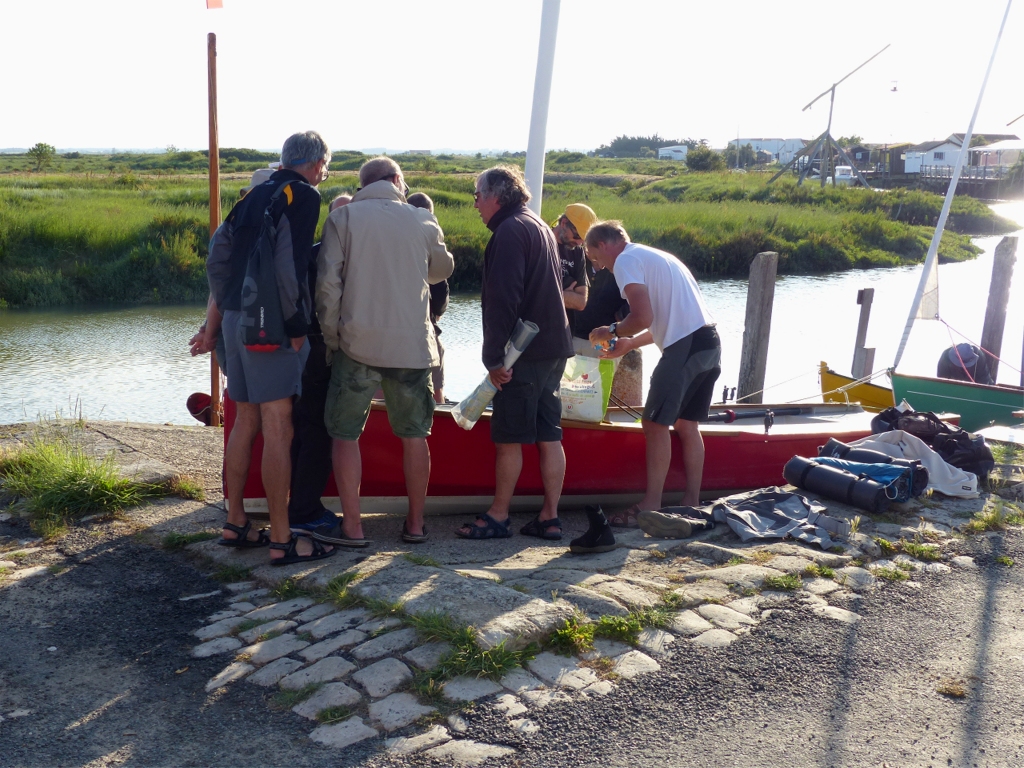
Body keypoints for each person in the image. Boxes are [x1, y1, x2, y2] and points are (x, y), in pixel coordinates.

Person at [205, 131, 335, 565]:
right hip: (271, 325)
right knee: (280, 426)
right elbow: (290, 262)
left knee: (246, 420)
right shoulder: (302, 195)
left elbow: (217, 256)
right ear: (317, 164)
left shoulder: (252, 195)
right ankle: (282, 538)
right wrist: (296, 322)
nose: (323, 174)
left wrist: (222, 316)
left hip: (236, 322)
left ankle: (236, 520)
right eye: (325, 167)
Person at [317, 157, 454, 545]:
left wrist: (333, 339)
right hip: (412, 346)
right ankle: (414, 524)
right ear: (397, 180)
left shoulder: (342, 220)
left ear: (362, 184)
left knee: (345, 435)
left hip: (356, 344)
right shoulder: (423, 219)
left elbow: (327, 289)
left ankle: (353, 526)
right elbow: (442, 269)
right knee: (414, 435)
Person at [455, 165, 573, 541]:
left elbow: (502, 300)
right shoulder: (537, 224)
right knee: (548, 433)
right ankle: (550, 516)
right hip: (556, 347)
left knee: (509, 436)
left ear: (496, 196)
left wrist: (494, 360)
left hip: (523, 353)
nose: (475, 204)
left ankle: (498, 515)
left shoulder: (508, 232)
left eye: (477, 196)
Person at [586, 221, 721, 533]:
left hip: (685, 346)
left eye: (595, 257)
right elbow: (664, 318)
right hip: (709, 343)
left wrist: (611, 330)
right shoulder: (658, 257)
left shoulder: (625, 261)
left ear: (605, 245)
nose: (599, 265)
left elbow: (641, 316)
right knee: (687, 424)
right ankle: (692, 499)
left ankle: (651, 504)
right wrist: (630, 343)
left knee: (654, 423)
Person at [286, 194, 353, 545]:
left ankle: (298, 504)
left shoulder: (311, 253)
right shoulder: (328, 256)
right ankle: (305, 509)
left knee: (306, 429)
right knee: (315, 430)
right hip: (320, 350)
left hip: (311, 348)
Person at [408, 192, 450, 404]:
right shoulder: (431, 244)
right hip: (426, 334)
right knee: (436, 393)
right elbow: (441, 296)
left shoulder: (396, 241)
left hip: (391, 337)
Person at [551, 204, 597, 353]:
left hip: (563, 338)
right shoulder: (540, 242)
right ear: (564, 223)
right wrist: (567, 292)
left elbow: (581, 302)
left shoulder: (577, 252)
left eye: (584, 239)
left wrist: (550, 291)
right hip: (532, 335)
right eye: (577, 236)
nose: (579, 242)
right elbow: (529, 293)